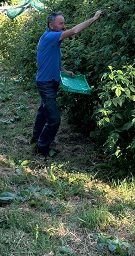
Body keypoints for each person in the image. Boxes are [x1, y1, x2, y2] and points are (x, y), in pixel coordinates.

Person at [31, 9, 105, 157]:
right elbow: (75, 31)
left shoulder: (50, 38)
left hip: (49, 81)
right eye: (61, 23)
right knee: (54, 120)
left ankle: (36, 139)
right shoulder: (51, 36)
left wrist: (64, 71)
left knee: (43, 112)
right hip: (46, 84)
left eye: (64, 23)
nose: (64, 26)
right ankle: (42, 148)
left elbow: (50, 60)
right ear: (51, 26)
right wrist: (94, 18)